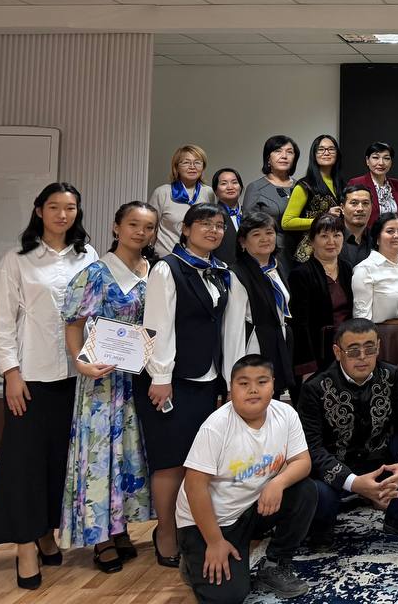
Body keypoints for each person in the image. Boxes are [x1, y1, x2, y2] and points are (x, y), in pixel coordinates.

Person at [0, 183, 98, 590]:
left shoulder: (87, 255)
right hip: (31, 376)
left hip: (77, 376)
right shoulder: (17, 259)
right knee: (24, 464)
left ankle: (47, 531)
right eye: (54, 207)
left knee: (60, 461)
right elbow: (2, 322)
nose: (63, 215)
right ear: (39, 211)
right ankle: (25, 545)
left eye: (70, 208)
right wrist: (10, 372)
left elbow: (96, 314)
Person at [136, 201, 241, 570]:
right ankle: (165, 532)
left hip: (207, 380)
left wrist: (230, 380)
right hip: (171, 381)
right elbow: (157, 325)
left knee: (198, 463)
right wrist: (161, 377)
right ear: (185, 229)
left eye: (219, 225)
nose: (213, 231)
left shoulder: (221, 272)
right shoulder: (168, 268)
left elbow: (228, 329)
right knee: (170, 462)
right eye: (204, 224)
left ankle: (190, 529)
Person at [58, 201, 158, 570]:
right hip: (102, 378)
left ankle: (121, 528)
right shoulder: (96, 272)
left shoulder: (153, 270)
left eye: (148, 227)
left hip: (138, 377)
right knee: (101, 456)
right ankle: (100, 537)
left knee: (130, 453)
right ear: (116, 227)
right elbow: (73, 323)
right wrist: (79, 361)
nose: (141, 232)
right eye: (133, 224)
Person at [177, 355, 315, 603]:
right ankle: (192, 557)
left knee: (306, 490)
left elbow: (303, 462)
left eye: (262, 382)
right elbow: (194, 486)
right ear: (231, 388)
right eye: (243, 383)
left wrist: (277, 483)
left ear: (273, 384)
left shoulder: (286, 413)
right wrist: (214, 542)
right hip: (209, 521)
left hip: (252, 508)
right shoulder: (216, 426)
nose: (253, 389)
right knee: (228, 597)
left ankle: (274, 564)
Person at [297, 319, 398, 547]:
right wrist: (353, 483)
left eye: (369, 349)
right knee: (318, 493)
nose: (362, 357)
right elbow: (311, 446)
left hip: (380, 461)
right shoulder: (315, 387)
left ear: (378, 347)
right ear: (337, 352)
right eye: (353, 350)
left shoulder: (391, 374)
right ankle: (322, 525)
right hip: (335, 468)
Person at [228, 212, 295, 399]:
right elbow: (233, 329)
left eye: (269, 233)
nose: (265, 239)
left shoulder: (276, 267)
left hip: (279, 341)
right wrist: (231, 377)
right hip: (254, 346)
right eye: (256, 234)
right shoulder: (237, 274)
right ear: (243, 242)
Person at [351, 212, 398, 378]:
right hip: (384, 339)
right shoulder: (365, 269)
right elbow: (361, 316)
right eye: (390, 231)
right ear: (377, 238)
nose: (396, 235)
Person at [287, 212, 355, 376]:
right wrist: (307, 367)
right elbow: (299, 325)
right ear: (312, 240)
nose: (331, 241)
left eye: (337, 235)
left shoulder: (347, 268)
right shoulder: (301, 274)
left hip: (347, 349)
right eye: (324, 236)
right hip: (317, 353)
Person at [242, 135, 299, 277]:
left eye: (289, 152)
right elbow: (248, 226)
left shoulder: (302, 186)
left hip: (303, 252)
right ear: (268, 158)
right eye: (278, 151)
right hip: (272, 254)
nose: (284, 156)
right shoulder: (256, 188)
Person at [282, 134, 343, 264]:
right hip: (310, 253)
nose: (326, 153)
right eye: (321, 149)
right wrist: (323, 219)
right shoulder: (305, 185)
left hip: (335, 251)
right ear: (314, 154)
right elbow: (287, 222)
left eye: (331, 149)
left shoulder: (341, 184)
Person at [148, 144, 217, 256]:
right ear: (176, 167)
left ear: (203, 167)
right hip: (167, 258)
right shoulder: (162, 192)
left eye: (197, 162)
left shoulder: (209, 192)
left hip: (199, 259)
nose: (192, 167)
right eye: (186, 162)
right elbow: (151, 228)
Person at [346, 141, 398, 227]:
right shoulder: (356, 183)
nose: (381, 163)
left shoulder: (397, 185)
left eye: (386, 158)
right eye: (375, 157)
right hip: (366, 234)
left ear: (391, 162)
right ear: (367, 160)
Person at [210, 167, 243, 267]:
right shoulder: (211, 216)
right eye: (224, 183)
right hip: (223, 269)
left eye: (234, 182)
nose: (230, 187)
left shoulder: (250, 213)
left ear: (241, 187)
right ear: (215, 191)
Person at [339, 185, 375, 266]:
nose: (360, 208)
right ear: (342, 208)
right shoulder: (331, 238)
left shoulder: (377, 239)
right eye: (354, 203)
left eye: (365, 203)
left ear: (372, 207)